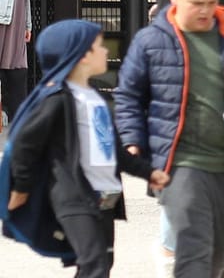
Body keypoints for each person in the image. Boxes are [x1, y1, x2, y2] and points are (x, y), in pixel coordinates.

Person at [116, 0, 224, 278]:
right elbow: (128, 96)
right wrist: (131, 139)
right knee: (194, 248)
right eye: (196, 3)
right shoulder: (151, 41)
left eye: (211, 2)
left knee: (218, 251)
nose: (205, 11)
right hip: (178, 163)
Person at [1, 19, 170, 278]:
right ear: (79, 56)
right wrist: (22, 188)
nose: (105, 51)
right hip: (74, 197)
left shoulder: (97, 99)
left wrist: (149, 173)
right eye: (98, 47)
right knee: (94, 264)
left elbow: (114, 150)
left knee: (101, 264)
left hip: (105, 196)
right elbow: (25, 144)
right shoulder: (56, 100)